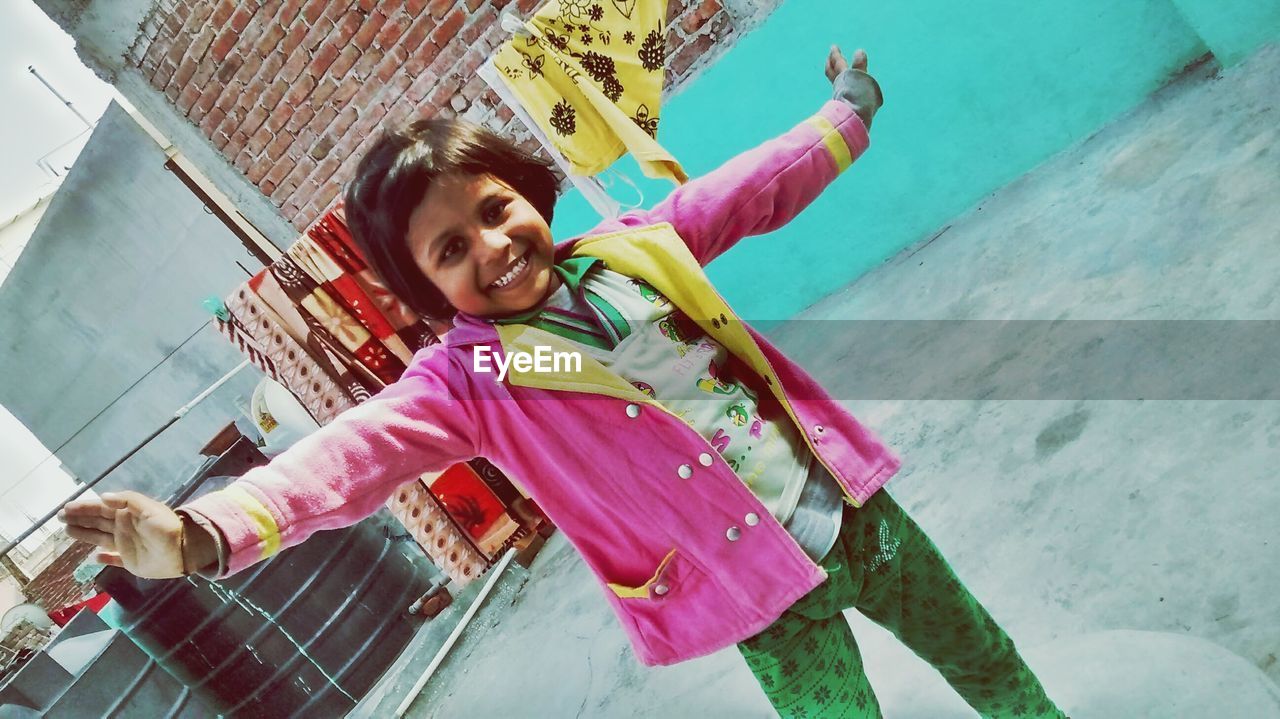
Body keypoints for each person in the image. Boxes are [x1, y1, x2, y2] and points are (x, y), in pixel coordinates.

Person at [60, 46, 1064, 718]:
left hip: (851, 512)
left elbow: (749, 189)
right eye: (451, 248)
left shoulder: (631, 250)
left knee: (982, 654)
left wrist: (846, 113)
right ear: (422, 285)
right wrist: (205, 532)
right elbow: (349, 456)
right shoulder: (463, 381)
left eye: (497, 210)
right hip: (755, 592)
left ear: (525, 193)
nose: (494, 247)